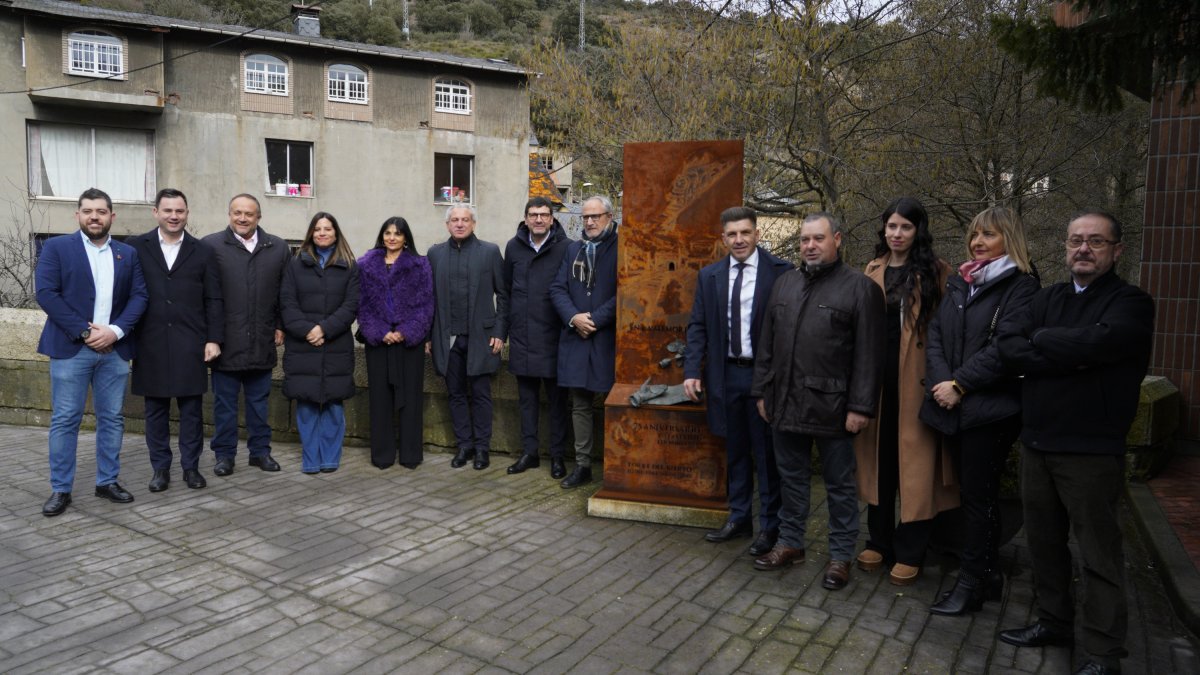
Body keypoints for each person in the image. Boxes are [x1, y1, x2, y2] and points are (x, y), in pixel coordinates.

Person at [997, 209, 1153, 675]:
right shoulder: (1049, 298)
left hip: (1090, 450)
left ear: (1116, 250)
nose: (1082, 249)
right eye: (1074, 241)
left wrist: (1042, 343)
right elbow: (1007, 342)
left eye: (1095, 241)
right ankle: (1053, 622)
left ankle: (1104, 654)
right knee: (1044, 544)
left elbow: (1101, 344)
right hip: (1038, 443)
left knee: (1099, 554)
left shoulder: (1132, 303)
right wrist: (1066, 348)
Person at [749, 212, 884, 590]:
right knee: (791, 479)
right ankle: (791, 542)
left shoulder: (861, 288)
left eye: (818, 239)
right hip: (784, 402)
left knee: (840, 485)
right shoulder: (785, 284)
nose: (810, 245)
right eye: (805, 239)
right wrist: (761, 391)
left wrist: (860, 407)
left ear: (837, 239)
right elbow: (767, 344)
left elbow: (870, 356)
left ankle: (841, 555)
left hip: (835, 408)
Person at [922, 205, 1040, 614]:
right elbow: (935, 335)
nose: (977, 242)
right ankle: (986, 576)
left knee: (978, 499)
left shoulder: (1021, 287)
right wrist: (942, 384)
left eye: (988, 235)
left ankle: (971, 583)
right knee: (973, 496)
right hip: (954, 405)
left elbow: (1006, 349)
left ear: (1009, 238)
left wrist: (960, 384)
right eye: (974, 235)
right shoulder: (962, 281)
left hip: (990, 412)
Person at [853, 197, 957, 586]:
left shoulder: (938, 272)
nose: (896, 234)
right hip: (876, 387)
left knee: (915, 469)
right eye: (891, 226)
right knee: (878, 464)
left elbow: (949, 334)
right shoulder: (871, 269)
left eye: (905, 227)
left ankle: (911, 548)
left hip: (917, 386)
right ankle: (878, 541)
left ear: (918, 231)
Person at [684, 206, 792, 556]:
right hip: (725, 375)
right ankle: (740, 516)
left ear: (757, 234)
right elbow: (698, 326)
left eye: (745, 232)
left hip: (764, 378)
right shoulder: (710, 276)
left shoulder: (780, 272)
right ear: (723, 238)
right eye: (732, 234)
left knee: (767, 454)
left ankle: (770, 526)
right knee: (735, 451)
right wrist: (690, 371)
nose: (739, 239)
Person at [36, 188, 148, 516]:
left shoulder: (127, 254)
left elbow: (140, 296)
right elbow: (46, 293)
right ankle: (60, 489)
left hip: (114, 349)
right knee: (66, 419)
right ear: (78, 215)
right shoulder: (56, 248)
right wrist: (86, 332)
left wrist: (114, 331)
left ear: (112, 216)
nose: (94, 217)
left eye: (101, 211)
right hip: (71, 349)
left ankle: (107, 482)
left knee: (112, 418)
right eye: (88, 211)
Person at [129, 188, 224, 492]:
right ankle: (160, 469)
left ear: (187, 213)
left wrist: (214, 339)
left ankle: (191, 467)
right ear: (156, 212)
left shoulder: (204, 251)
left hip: (190, 342)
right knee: (155, 411)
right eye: (167, 210)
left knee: (192, 411)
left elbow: (214, 299)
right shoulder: (135, 248)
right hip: (150, 342)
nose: (173, 216)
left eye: (179, 211)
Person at [203, 194, 290, 476]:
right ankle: (225, 456)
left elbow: (284, 293)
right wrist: (210, 337)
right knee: (224, 406)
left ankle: (260, 453)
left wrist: (280, 324)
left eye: (248, 214)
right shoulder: (211, 246)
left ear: (258, 217)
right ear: (229, 214)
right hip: (225, 342)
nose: (242, 218)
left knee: (259, 404)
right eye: (237, 213)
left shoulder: (277, 247)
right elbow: (205, 296)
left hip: (261, 340)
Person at [428, 205, 508, 470]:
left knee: (481, 395)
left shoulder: (489, 252)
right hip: (447, 338)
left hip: (481, 338)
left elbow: (504, 295)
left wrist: (499, 331)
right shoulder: (435, 254)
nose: (459, 224)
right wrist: (429, 336)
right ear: (447, 224)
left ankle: (483, 449)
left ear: (474, 223)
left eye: (465, 220)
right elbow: (428, 300)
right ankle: (464, 446)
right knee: (456, 394)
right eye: (454, 220)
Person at [280, 212, 360, 474]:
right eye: (317, 229)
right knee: (307, 404)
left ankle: (329, 458)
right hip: (303, 345)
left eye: (327, 228)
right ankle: (311, 458)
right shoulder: (295, 264)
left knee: (333, 405)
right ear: (311, 234)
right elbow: (287, 304)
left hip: (335, 344)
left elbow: (351, 305)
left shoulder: (349, 265)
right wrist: (308, 330)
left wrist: (325, 329)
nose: (322, 233)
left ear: (336, 233)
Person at [550, 195, 619, 489]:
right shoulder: (574, 249)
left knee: (614, 404)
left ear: (609, 216)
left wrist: (596, 319)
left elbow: (627, 290)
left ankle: (616, 469)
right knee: (580, 405)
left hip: (607, 339)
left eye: (596, 216)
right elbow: (557, 288)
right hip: (576, 337)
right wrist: (574, 317)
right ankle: (583, 466)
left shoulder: (623, 247)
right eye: (586, 217)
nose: (589, 222)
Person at [357, 217, 434, 469]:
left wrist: (406, 331)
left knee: (410, 398)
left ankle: (410, 455)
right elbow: (362, 305)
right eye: (388, 233)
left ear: (405, 238)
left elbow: (426, 304)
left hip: (408, 341)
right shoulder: (366, 265)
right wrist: (379, 332)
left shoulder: (420, 265)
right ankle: (382, 455)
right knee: (379, 398)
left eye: (397, 234)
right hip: (378, 341)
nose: (392, 238)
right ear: (382, 236)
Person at [504, 197, 572, 479]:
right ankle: (529, 453)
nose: (539, 219)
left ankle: (558, 457)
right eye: (534, 215)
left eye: (544, 215)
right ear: (525, 218)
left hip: (555, 337)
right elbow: (506, 292)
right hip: (522, 336)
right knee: (526, 401)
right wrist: (503, 331)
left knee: (558, 403)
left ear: (552, 219)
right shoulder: (513, 247)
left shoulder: (566, 248)